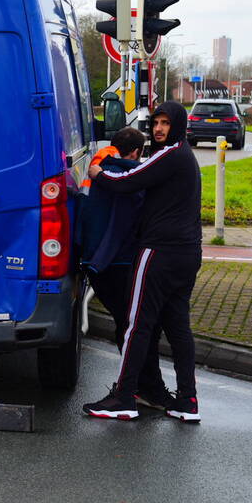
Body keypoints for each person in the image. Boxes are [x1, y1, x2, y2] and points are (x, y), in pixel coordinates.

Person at [81, 101, 203, 422]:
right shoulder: (187, 157)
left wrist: (98, 174)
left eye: (165, 123)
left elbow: (129, 180)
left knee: (137, 324)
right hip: (188, 253)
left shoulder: (170, 154)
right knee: (178, 328)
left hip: (159, 252)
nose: (159, 129)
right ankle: (187, 401)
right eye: (156, 123)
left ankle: (124, 397)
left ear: (177, 126)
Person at [78, 127, 171, 411]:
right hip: (117, 261)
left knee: (129, 324)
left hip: (94, 260)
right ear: (135, 152)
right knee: (136, 327)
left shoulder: (97, 165)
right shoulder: (123, 173)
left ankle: (142, 387)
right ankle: (145, 389)